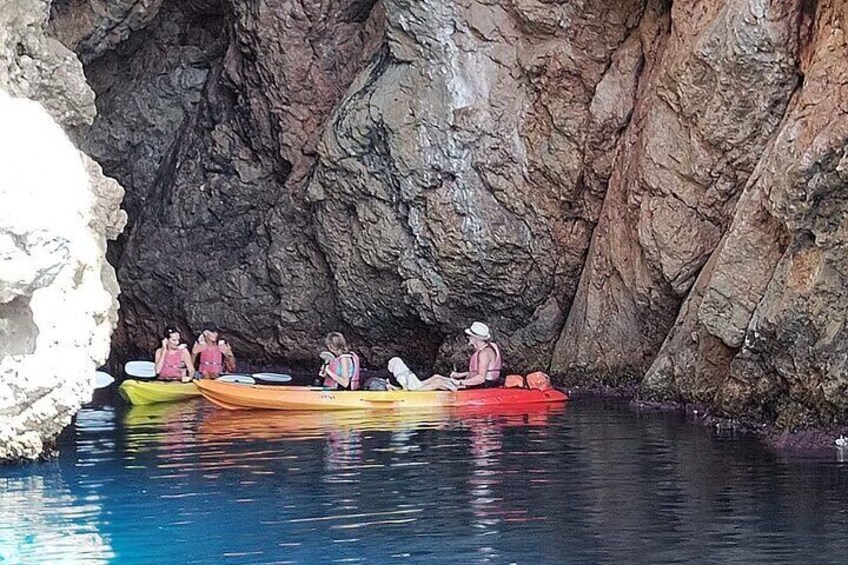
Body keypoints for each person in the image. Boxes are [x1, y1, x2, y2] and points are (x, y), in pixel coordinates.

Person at [449, 321, 502, 388]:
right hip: (486, 384)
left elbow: (481, 379)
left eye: (470, 335)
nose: (468, 337)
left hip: (484, 386)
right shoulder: (488, 348)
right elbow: (481, 371)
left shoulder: (484, 354)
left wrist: (459, 382)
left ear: (476, 338)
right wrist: (459, 375)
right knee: (438, 379)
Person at [386, 357, 460, 391]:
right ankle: (456, 386)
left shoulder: (400, 375)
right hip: (416, 387)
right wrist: (392, 386)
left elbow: (405, 390)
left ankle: (455, 386)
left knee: (436, 378)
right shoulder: (405, 373)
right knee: (438, 382)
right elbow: (405, 387)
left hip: (415, 389)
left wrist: (391, 388)